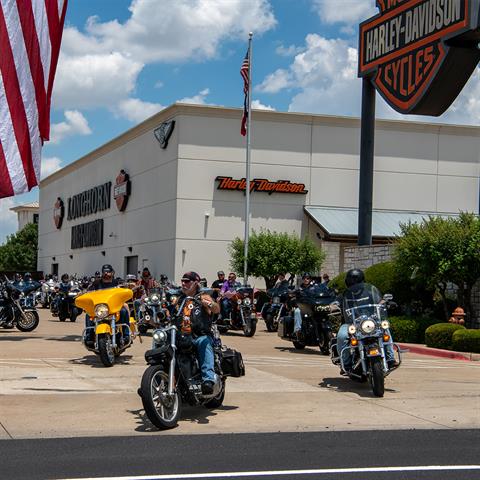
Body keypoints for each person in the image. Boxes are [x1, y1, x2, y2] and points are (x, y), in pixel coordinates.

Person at [335, 268, 397, 372]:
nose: (355, 285)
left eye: (357, 282)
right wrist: (334, 306)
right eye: (352, 282)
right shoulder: (344, 295)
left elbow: (379, 301)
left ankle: (390, 358)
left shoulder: (370, 292)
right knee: (341, 336)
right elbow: (335, 302)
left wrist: (386, 302)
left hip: (371, 321)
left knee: (385, 328)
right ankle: (346, 363)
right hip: (351, 324)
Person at [177, 271, 220, 395]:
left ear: (195, 283)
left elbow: (216, 309)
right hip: (181, 337)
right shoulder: (179, 299)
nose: (184, 284)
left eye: (187, 281)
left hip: (198, 335)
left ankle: (208, 380)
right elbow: (168, 314)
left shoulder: (203, 296)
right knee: (161, 338)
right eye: (182, 281)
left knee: (204, 342)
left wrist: (210, 304)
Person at [84, 264, 130, 345]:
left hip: (114, 307)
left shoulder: (117, 282)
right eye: (104, 272)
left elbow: (125, 287)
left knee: (123, 310)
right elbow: (88, 291)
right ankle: (89, 336)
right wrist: (83, 292)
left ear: (112, 273)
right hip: (100, 308)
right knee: (88, 314)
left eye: (108, 272)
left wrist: (129, 285)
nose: (106, 273)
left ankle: (126, 335)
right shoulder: (97, 283)